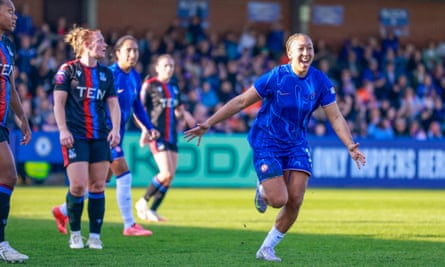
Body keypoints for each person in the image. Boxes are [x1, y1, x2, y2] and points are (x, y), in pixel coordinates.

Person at [184, 33, 366, 262]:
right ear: (289, 54)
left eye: (309, 48)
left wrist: (350, 145)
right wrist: (209, 123)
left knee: (295, 200)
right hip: (267, 140)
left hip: (297, 143)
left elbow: (336, 117)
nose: (306, 53)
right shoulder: (276, 77)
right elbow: (241, 101)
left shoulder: (320, 81)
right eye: (301, 49)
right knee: (278, 199)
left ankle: (267, 248)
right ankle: (262, 190)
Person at [51, 35, 158, 236]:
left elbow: (137, 106)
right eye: (128, 50)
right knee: (124, 174)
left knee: (98, 183)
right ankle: (129, 224)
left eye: (136, 50)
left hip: (117, 134)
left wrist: (148, 126)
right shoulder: (108, 74)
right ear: (117, 53)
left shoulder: (134, 76)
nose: (133, 54)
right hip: (102, 134)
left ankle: (62, 210)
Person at [53, 25, 121, 250]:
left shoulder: (106, 73)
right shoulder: (68, 70)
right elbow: (58, 103)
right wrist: (63, 129)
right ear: (85, 45)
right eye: (99, 40)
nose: (104, 45)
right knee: (78, 186)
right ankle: (74, 234)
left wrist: (116, 129)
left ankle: (94, 236)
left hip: (100, 136)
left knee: (98, 185)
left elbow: (113, 104)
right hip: (76, 136)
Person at [135, 54, 195, 222]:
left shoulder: (174, 87)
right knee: (165, 172)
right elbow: (138, 109)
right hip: (156, 134)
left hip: (172, 134)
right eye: (166, 66)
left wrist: (187, 117)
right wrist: (145, 129)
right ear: (157, 68)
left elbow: (178, 109)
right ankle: (143, 201)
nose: (169, 69)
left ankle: (152, 210)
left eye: (172, 66)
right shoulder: (150, 85)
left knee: (170, 176)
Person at [0, 0, 32, 263]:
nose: (15, 16)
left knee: (9, 176)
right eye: (9, 11)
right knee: (8, 174)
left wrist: (23, 119)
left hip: (1, 124)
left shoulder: (8, 46)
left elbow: (10, 84)